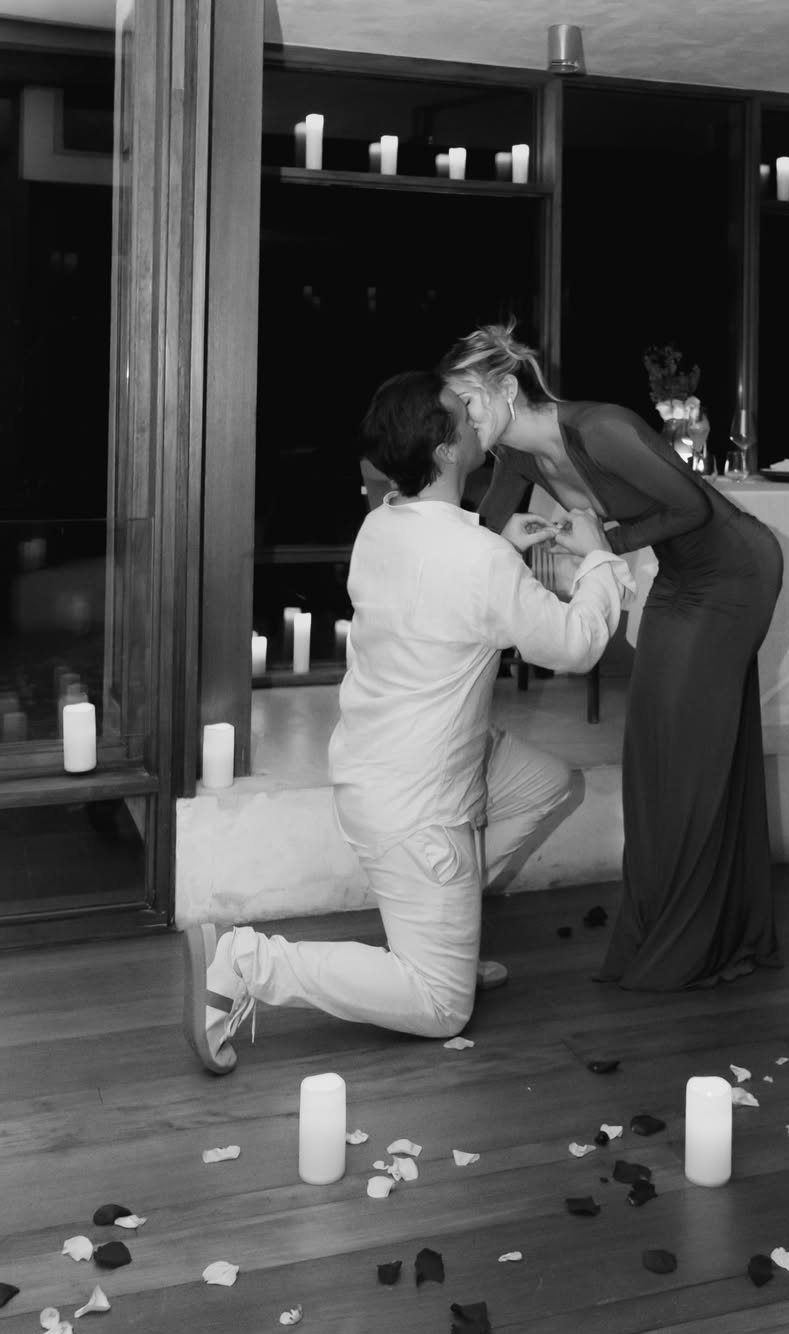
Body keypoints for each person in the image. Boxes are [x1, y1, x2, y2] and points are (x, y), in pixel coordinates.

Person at [183, 370, 632, 1074]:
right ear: (446, 450)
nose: (476, 418)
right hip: (419, 807)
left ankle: (448, 930)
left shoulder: (381, 525)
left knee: (550, 785)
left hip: (385, 769)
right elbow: (576, 646)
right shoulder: (476, 558)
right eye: (462, 414)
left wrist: (499, 544)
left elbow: (442, 582)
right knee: (442, 1008)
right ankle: (248, 962)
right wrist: (600, 557)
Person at [440, 324, 783, 991]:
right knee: (656, 751)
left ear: (505, 388)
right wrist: (496, 539)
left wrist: (606, 542)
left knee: (684, 755)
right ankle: (696, 930)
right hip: (682, 578)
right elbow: (479, 535)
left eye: (468, 403)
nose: (462, 420)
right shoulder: (515, 455)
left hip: (735, 572)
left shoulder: (600, 429)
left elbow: (692, 506)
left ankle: (691, 942)